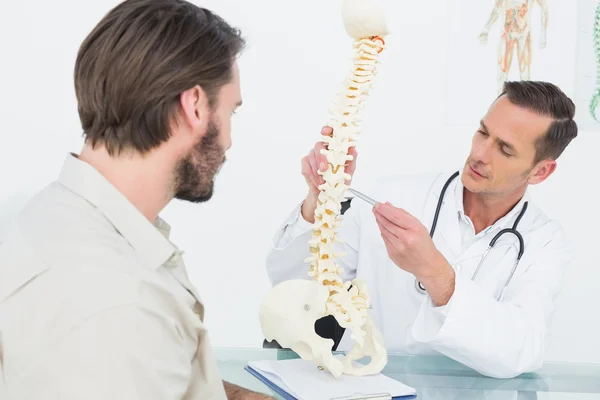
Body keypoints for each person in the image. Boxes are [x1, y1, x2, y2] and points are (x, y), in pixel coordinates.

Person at [0, 1, 272, 399]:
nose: (229, 140)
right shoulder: (120, 307)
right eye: (231, 111)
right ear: (195, 106)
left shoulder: (52, 218)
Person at [266, 80, 578, 379]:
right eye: (482, 132)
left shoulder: (545, 243)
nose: (480, 154)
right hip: (364, 389)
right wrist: (320, 201)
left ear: (540, 171)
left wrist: (435, 273)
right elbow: (298, 286)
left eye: (505, 150)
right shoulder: (394, 197)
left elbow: (522, 349)